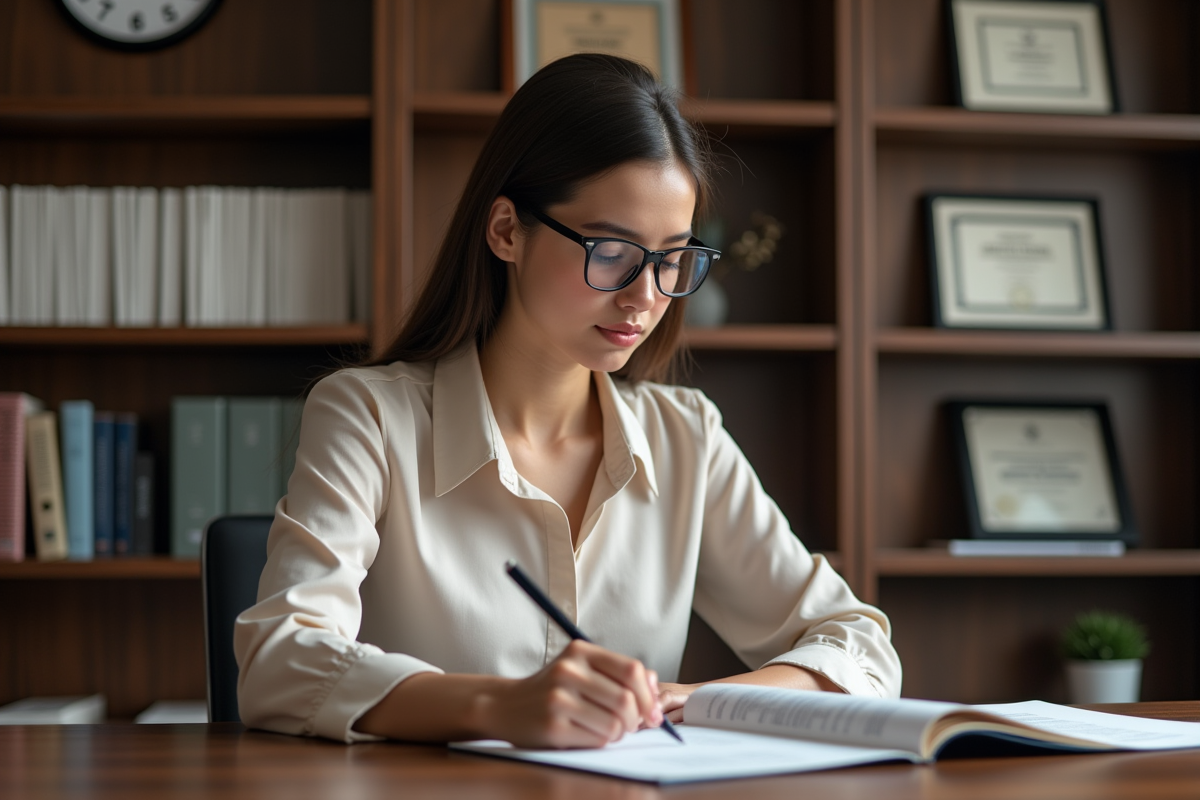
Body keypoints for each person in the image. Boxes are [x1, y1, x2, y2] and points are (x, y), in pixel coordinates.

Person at [234, 53, 901, 748]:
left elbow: (858, 644)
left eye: (673, 257)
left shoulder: (686, 438)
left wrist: (690, 703)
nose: (645, 297)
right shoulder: (370, 416)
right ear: (505, 232)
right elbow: (281, 660)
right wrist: (500, 707)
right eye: (612, 250)